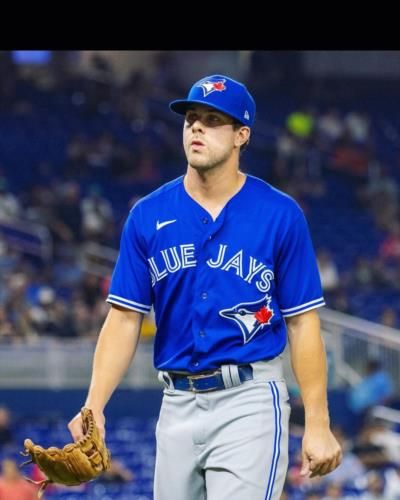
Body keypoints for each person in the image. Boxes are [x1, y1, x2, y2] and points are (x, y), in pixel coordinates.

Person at [68, 74, 342, 500]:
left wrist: (319, 424)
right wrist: (94, 405)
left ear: (241, 136)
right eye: (191, 118)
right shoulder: (148, 215)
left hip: (248, 400)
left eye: (214, 120)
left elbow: (303, 324)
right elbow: (124, 318)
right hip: (175, 402)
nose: (196, 127)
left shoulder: (280, 215)